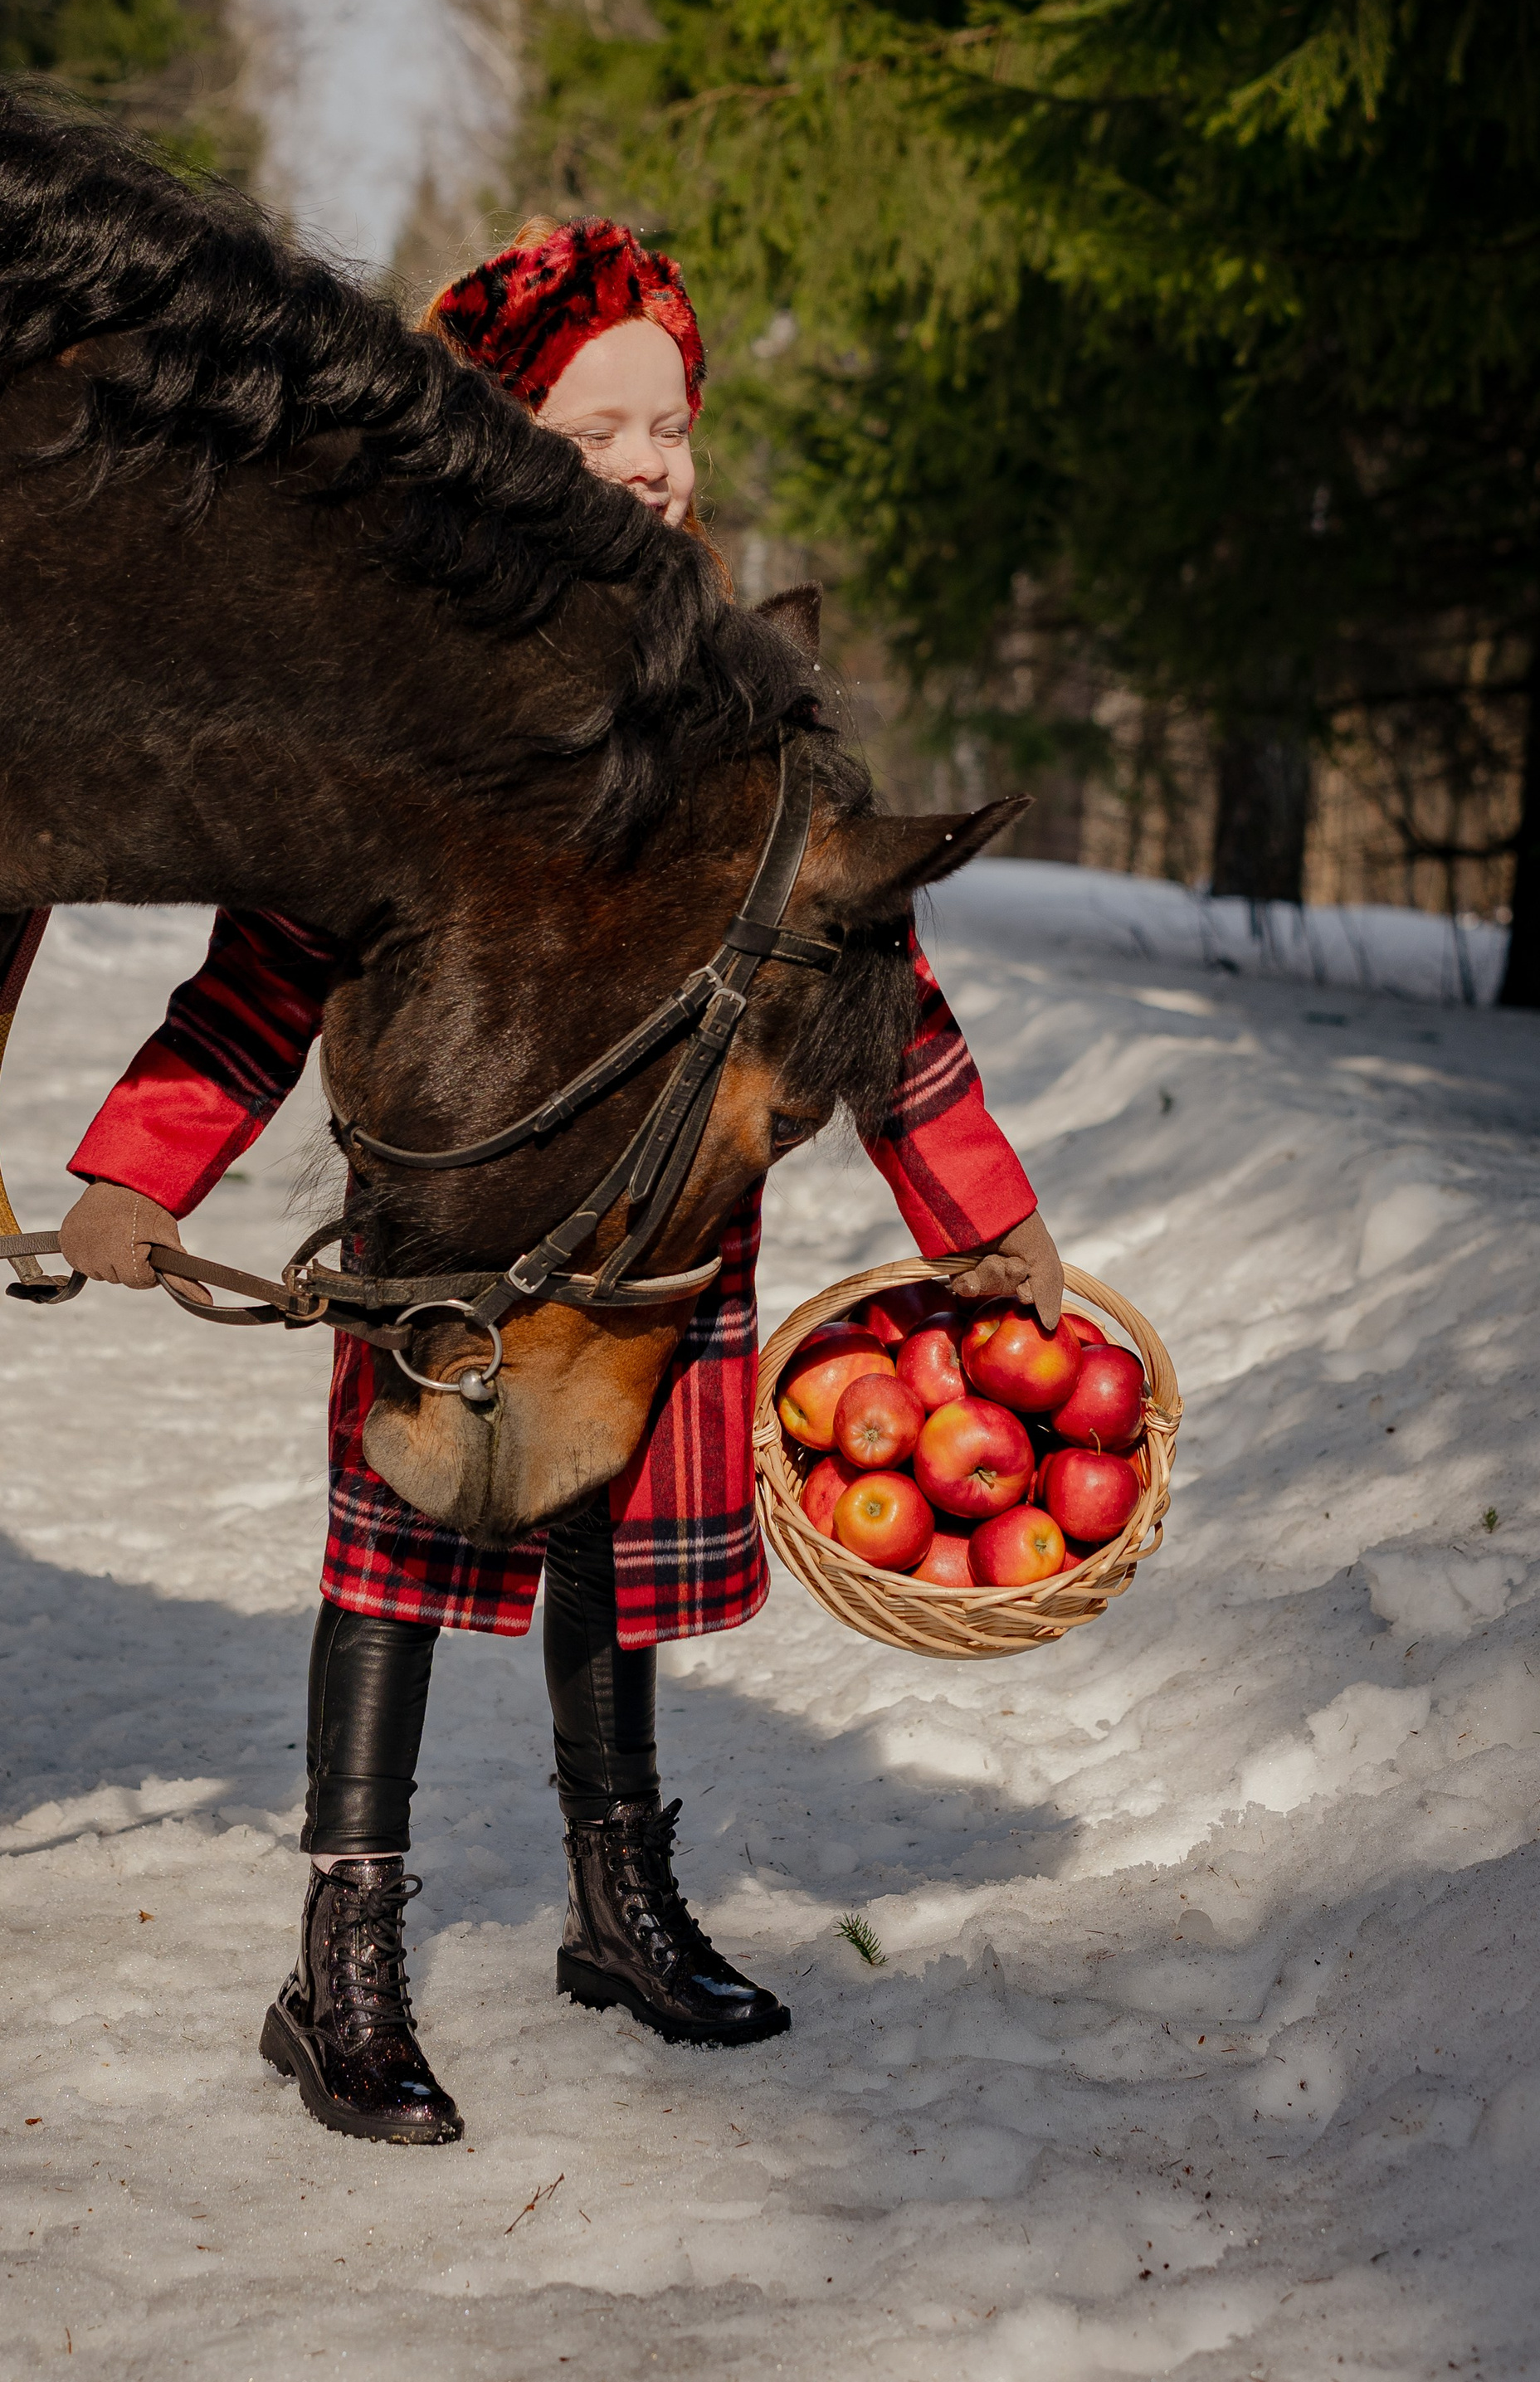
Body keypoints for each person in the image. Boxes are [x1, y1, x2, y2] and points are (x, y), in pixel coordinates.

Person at [59, 217, 1060, 2148]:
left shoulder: (737, 689)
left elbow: (872, 965)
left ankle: (618, 1898)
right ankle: (335, 1954)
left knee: (605, 1548)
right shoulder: (405, 692)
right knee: (405, 1557)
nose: (650, 458)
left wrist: (975, 1210)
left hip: (663, 1223)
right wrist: (140, 1161)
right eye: (598, 420)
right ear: (499, 438)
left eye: (667, 419)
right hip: (465, 1211)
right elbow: (273, 952)